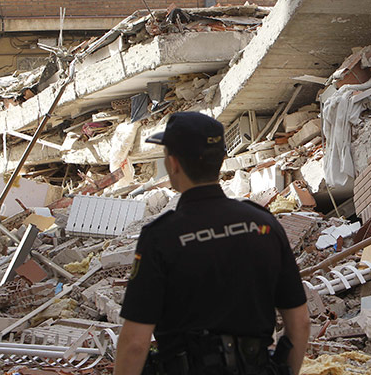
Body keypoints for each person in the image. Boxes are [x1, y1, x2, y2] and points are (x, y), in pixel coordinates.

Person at [114, 112, 310, 375]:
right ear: (220, 161)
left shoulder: (161, 237)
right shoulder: (264, 225)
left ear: (173, 164)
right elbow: (300, 323)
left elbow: (135, 344)